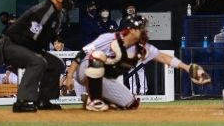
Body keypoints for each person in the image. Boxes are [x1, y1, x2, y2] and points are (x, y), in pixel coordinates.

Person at [66, 14, 210, 111]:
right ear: (130, 30)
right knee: (97, 56)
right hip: (83, 70)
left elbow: (165, 58)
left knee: (130, 104)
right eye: (141, 28)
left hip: (102, 78)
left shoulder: (142, 48)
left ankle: (93, 99)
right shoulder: (109, 38)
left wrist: (187, 68)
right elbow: (82, 53)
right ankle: (94, 100)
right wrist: (69, 76)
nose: (144, 30)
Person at [0, 0, 77, 112]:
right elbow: (29, 37)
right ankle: (22, 102)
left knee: (56, 64)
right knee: (38, 62)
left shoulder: (57, 14)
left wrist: (40, 51)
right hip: (8, 45)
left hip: (24, 45)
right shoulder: (45, 10)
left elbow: (44, 38)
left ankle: (43, 100)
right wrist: (39, 53)